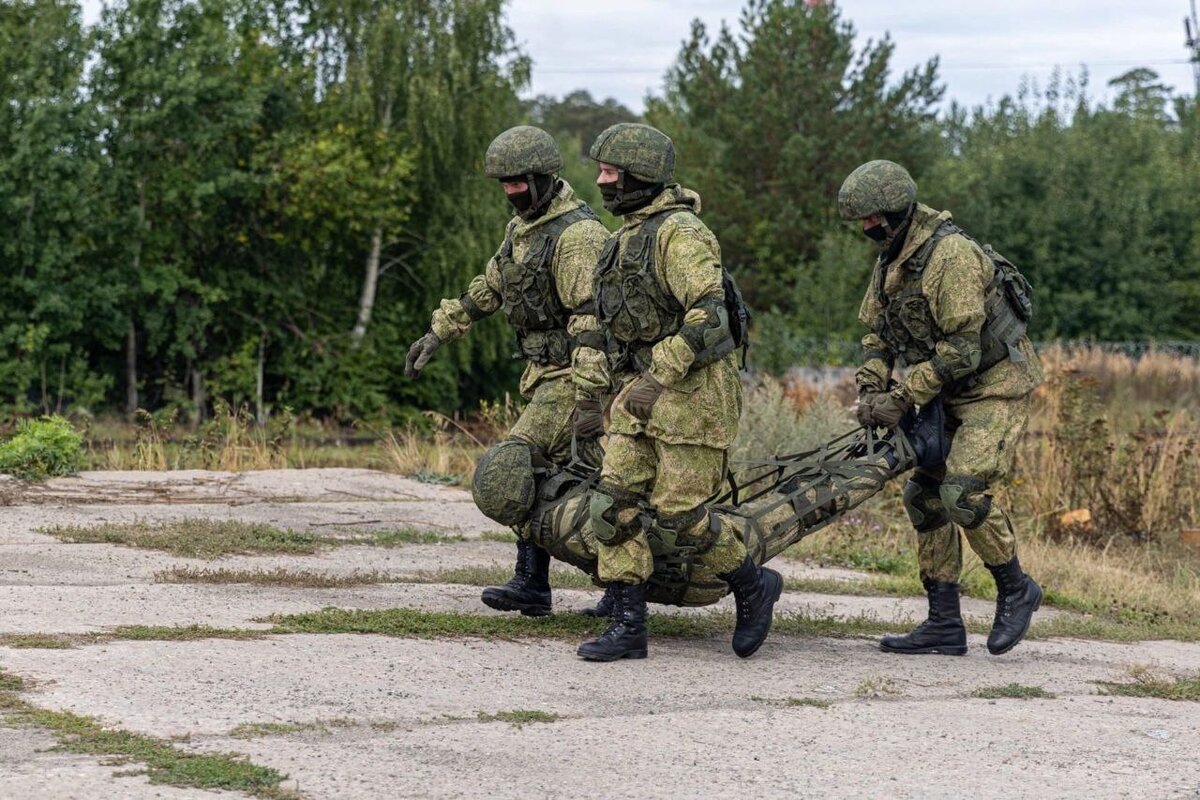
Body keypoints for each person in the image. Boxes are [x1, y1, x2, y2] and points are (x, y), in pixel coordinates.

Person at [572, 122, 780, 662]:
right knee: (609, 506)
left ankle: (752, 585)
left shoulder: (680, 234)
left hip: (691, 398)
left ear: (640, 177)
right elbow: (599, 322)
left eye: (610, 172)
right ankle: (627, 623)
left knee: (679, 516)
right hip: (634, 396)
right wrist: (590, 396)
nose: (600, 181)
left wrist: (657, 377)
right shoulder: (622, 240)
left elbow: (709, 314)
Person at [838, 159, 1045, 656]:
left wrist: (903, 397)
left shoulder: (949, 255)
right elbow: (875, 335)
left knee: (961, 494)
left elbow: (963, 349)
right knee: (923, 498)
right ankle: (944, 623)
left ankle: (1017, 588)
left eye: (871, 219)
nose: (866, 229)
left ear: (896, 210)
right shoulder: (892, 258)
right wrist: (871, 389)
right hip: (947, 392)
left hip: (994, 386)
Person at [404, 125, 609, 618]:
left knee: (513, 466)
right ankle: (547, 585)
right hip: (542, 375)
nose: (510, 191)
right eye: (503, 183)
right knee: (578, 479)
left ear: (542, 178)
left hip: (573, 378)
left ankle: (566, 585)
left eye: (518, 182)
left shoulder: (579, 236)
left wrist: (588, 398)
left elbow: (591, 321)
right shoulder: (521, 230)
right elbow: (489, 288)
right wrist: (438, 332)